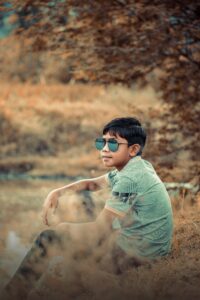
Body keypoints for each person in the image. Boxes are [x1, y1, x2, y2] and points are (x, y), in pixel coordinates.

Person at [1, 117, 173, 299]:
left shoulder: (130, 179)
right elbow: (92, 184)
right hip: (145, 244)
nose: (105, 149)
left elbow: (100, 229)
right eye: (102, 142)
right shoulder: (136, 166)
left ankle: (13, 294)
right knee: (83, 197)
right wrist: (57, 192)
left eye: (113, 144)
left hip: (139, 255)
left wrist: (62, 225)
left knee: (48, 239)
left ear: (133, 149)